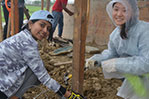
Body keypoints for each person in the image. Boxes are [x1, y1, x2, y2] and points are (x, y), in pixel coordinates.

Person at [0, 10, 84, 99]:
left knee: (34, 71)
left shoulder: (21, 37)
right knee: (37, 73)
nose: (45, 31)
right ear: (30, 24)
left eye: (48, 29)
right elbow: (44, 78)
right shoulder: (27, 44)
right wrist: (70, 95)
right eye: (42, 25)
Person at [85, 0, 149, 99]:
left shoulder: (145, 31)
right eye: (116, 9)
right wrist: (97, 60)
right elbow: (111, 53)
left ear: (133, 12)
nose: (119, 14)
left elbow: (146, 63)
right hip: (133, 77)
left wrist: (116, 64)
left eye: (125, 10)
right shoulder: (115, 34)